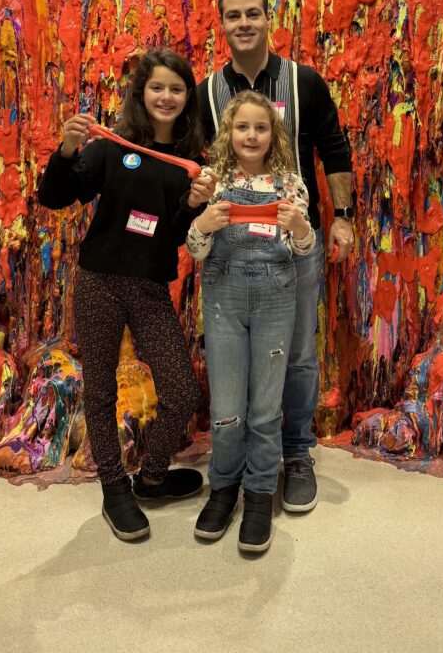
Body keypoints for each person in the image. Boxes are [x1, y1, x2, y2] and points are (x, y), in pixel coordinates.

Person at [38, 48, 215, 542]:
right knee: (100, 387)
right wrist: (68, 150)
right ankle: (114, 488)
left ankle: (152, 477)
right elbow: (56, 196)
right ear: (141, 93)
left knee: (181, 390)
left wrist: (195, 206)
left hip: (150, 287)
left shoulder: (189, 164)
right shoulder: (113, 147)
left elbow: (176, 233)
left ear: (188, 99)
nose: (166, 96)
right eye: (157, 87)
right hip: (99, 280)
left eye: (176, 89)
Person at [197, 0, 354, 514]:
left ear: (269, 18)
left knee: (300, 357)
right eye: (233, 16)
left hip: (294, 247)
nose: (243, 24)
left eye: (252, 13)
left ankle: (296, 453)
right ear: (222, 24)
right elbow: (199, 166)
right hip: (232, 256)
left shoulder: (304, 82)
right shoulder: (206, 93)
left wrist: (344, 217)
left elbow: (334, 149)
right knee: (237, 364)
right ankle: (235, 466)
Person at [187, 91, 316, 553]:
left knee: (264, 407)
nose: (252, 135)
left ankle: (260, 491)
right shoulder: (214, 182)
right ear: (229, 132)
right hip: (223, 297)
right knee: (226, 407)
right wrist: (203, 224)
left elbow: (303, 250)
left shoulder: (290, 184)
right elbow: (195, 250)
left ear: (273, 133)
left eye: (261, 127)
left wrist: (301, 229)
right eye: (243, 127)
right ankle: (223, 487)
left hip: (275, 298)